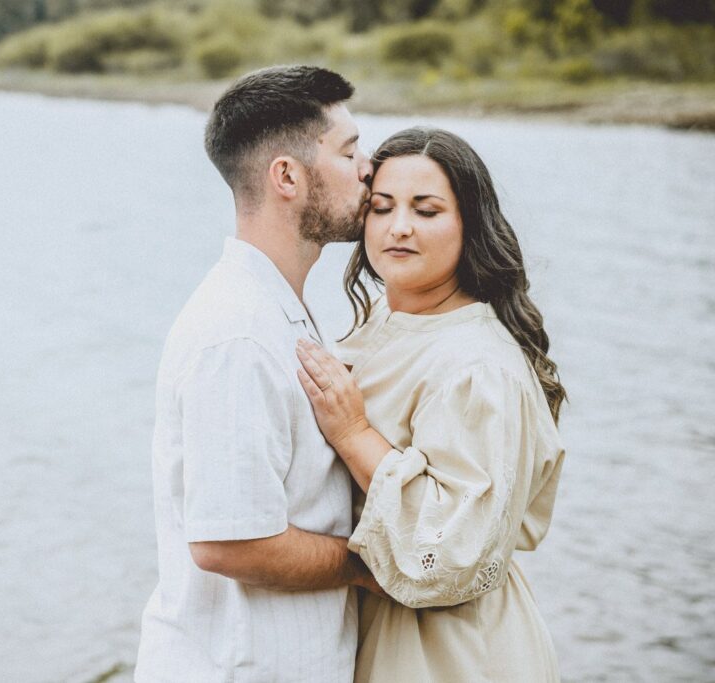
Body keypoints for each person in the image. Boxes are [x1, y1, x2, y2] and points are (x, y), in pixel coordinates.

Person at [135, 65, 380, 683]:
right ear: (288, 177)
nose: (367, 169)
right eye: (349, 151)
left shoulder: (275, 309)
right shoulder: (239, 334)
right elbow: (228, 541)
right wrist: (371, 564)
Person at [295, 126, 567, 682]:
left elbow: (451, 552)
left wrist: (353, 434)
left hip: (447, 651)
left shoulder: (477, 367)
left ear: (470, 225)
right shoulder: (386, 324)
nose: (398, 228)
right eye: (381, 207)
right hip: (370, 630)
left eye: (426, 211)